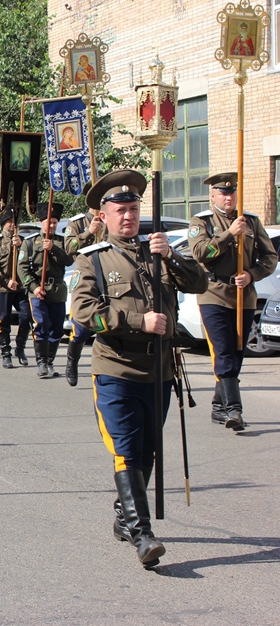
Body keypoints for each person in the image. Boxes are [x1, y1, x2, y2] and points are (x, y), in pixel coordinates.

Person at [70, 169, 207, 568]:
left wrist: (173, 255)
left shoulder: (157, 252)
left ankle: (123, 515)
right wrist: (136, 320)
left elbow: (199, 283)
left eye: (133, 209)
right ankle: (143, 535)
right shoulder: (93, 259)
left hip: (160, 371)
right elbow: (83, 313)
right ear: (105, 216)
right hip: (117, 369)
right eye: (120, 211)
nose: (128, 217)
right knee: (126, 450)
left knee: (147, 449)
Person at [187, 172, 277, 430]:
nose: (229, 197)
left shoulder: (251, 221)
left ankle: (218, 406)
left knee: (236, 354)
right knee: (224, 351)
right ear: (212, 195)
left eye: (232, 192)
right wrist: (228, 234)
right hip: (213, 293)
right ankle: (234, 409)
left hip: (244, 296)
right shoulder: (201, 221)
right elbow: (201, 253)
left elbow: (270, 257)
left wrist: (252, 274)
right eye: (223, 193)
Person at [18, 202, 72, 378]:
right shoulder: (31, 243)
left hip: (57, 290)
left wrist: (54, 249)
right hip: (38, 290)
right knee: (41, 324)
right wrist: (33, 288)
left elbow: (69, 260)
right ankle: (41, 362)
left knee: (56, 329)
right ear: (42, 222)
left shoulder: (63, 242)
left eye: (55, 222)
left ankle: (49, 361)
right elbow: (22, 268)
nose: (52, 225)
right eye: (49, 221)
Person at [62, 191, 107, 385]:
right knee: (81, 329)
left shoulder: (110, 218)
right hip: (86, 277)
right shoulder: (77, 222)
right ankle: (72, 359)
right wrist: (89, 231)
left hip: (109, 276)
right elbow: (69, 247)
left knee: (109, 325)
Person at [0, 208, 31, 368]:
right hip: (3, 288)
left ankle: (20, 347)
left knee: (27, 316)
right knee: (4, 320)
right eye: (10, 222)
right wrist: (6, 280)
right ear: (4, 223)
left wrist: (22, 247)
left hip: (20, 288)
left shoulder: (23, 241)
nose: (13, 225)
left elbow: (29, 261)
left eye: (15, 222)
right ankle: (6, 353)